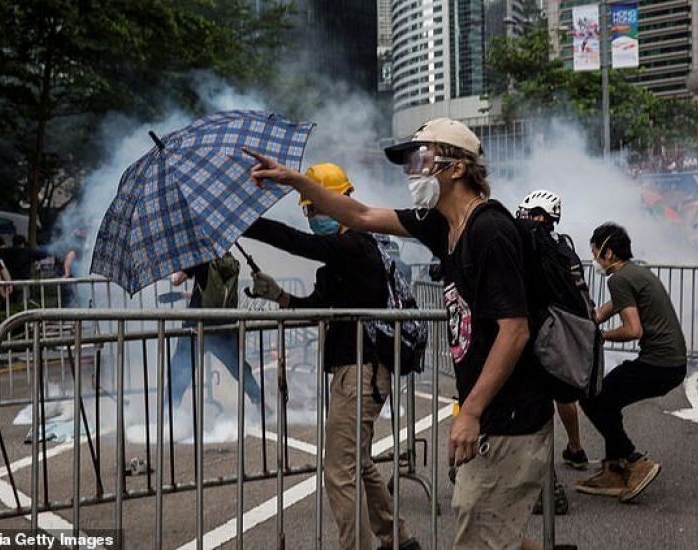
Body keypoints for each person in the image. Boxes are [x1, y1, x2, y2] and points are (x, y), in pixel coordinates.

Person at [245, 117, 553, 550]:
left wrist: (470, 412)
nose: (413, 171)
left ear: (457, 167)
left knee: (481, 533)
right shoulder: (441, 225)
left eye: (421, 159)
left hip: (512, 415)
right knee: (490, 530)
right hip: (493, 413)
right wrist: (294, 180)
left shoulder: (490, 230)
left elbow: (515, 332)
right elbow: (362, 213)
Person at [244, 162, 421, 550]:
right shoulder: (342, 259)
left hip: (363, 372)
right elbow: (318, 306)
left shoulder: (356, 246)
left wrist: (246, 222)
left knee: (339, 471)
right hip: (354, 371)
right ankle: (399, 538)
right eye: (307, 210)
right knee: (359, 462)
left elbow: (298, 243)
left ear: (338, 201)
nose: (310, 217)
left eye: (314, 208)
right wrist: (277, 295)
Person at [576, 222, 687, 502]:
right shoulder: (635, 272)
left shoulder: (619, 279)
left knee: (593, 398)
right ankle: (614, 470)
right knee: (608, 398)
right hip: (671, 362)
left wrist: (599, 336)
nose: (595, 259)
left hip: (659, 364)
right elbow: (605, 310)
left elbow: (633, 330)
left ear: (609, 253)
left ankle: (634, 461)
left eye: (595, 253)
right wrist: (586, 321)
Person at [516, 190, 590, 517]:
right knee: (556, 401)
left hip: (540, 337)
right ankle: (573, 451)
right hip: (562, 337)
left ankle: (548, 486)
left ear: (542, 217)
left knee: (532, 408)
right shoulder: (567, 252)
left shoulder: (532, 250)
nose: (523, 216)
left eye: (529, 212)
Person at [166, 253, 268, 419]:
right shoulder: (229, 262)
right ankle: (261, 404)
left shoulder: (197, 258)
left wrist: (173, 267)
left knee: (179, 371)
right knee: (239, 367)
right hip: (224, 325)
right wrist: (184, 295)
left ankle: (167, 415)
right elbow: (214, 290)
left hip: (198, 326)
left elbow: (176, 280)